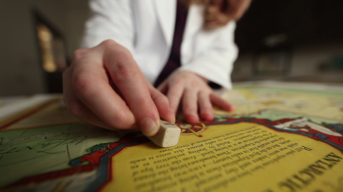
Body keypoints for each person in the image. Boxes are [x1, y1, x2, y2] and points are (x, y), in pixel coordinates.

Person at [63, 0, 251, 137]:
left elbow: (222, 49)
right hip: (135, 98)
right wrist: (101, 66)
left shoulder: (223, 6)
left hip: (183, 105)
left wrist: (195, 74)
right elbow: (105, 38)